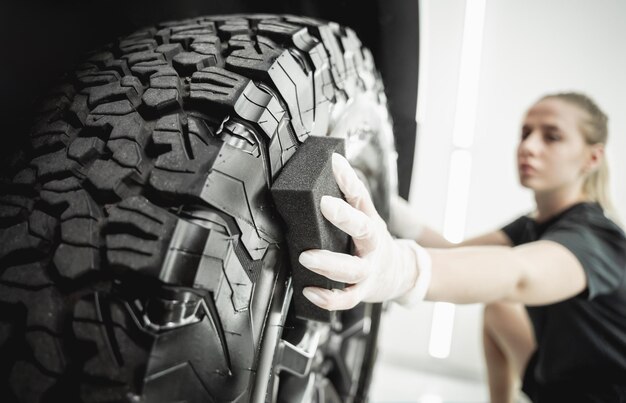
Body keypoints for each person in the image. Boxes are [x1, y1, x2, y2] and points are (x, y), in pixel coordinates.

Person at [298, 92, 626, 402]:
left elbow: (519, 273)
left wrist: (402, 270)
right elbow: (455, 254)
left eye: (551, 136)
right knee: (499, 309)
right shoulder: (533, 224)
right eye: (525, 133)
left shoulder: (596, 237)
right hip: (557, 386)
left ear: (592, 157)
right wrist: (390, 208)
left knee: (502, 298)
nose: (528, 146)